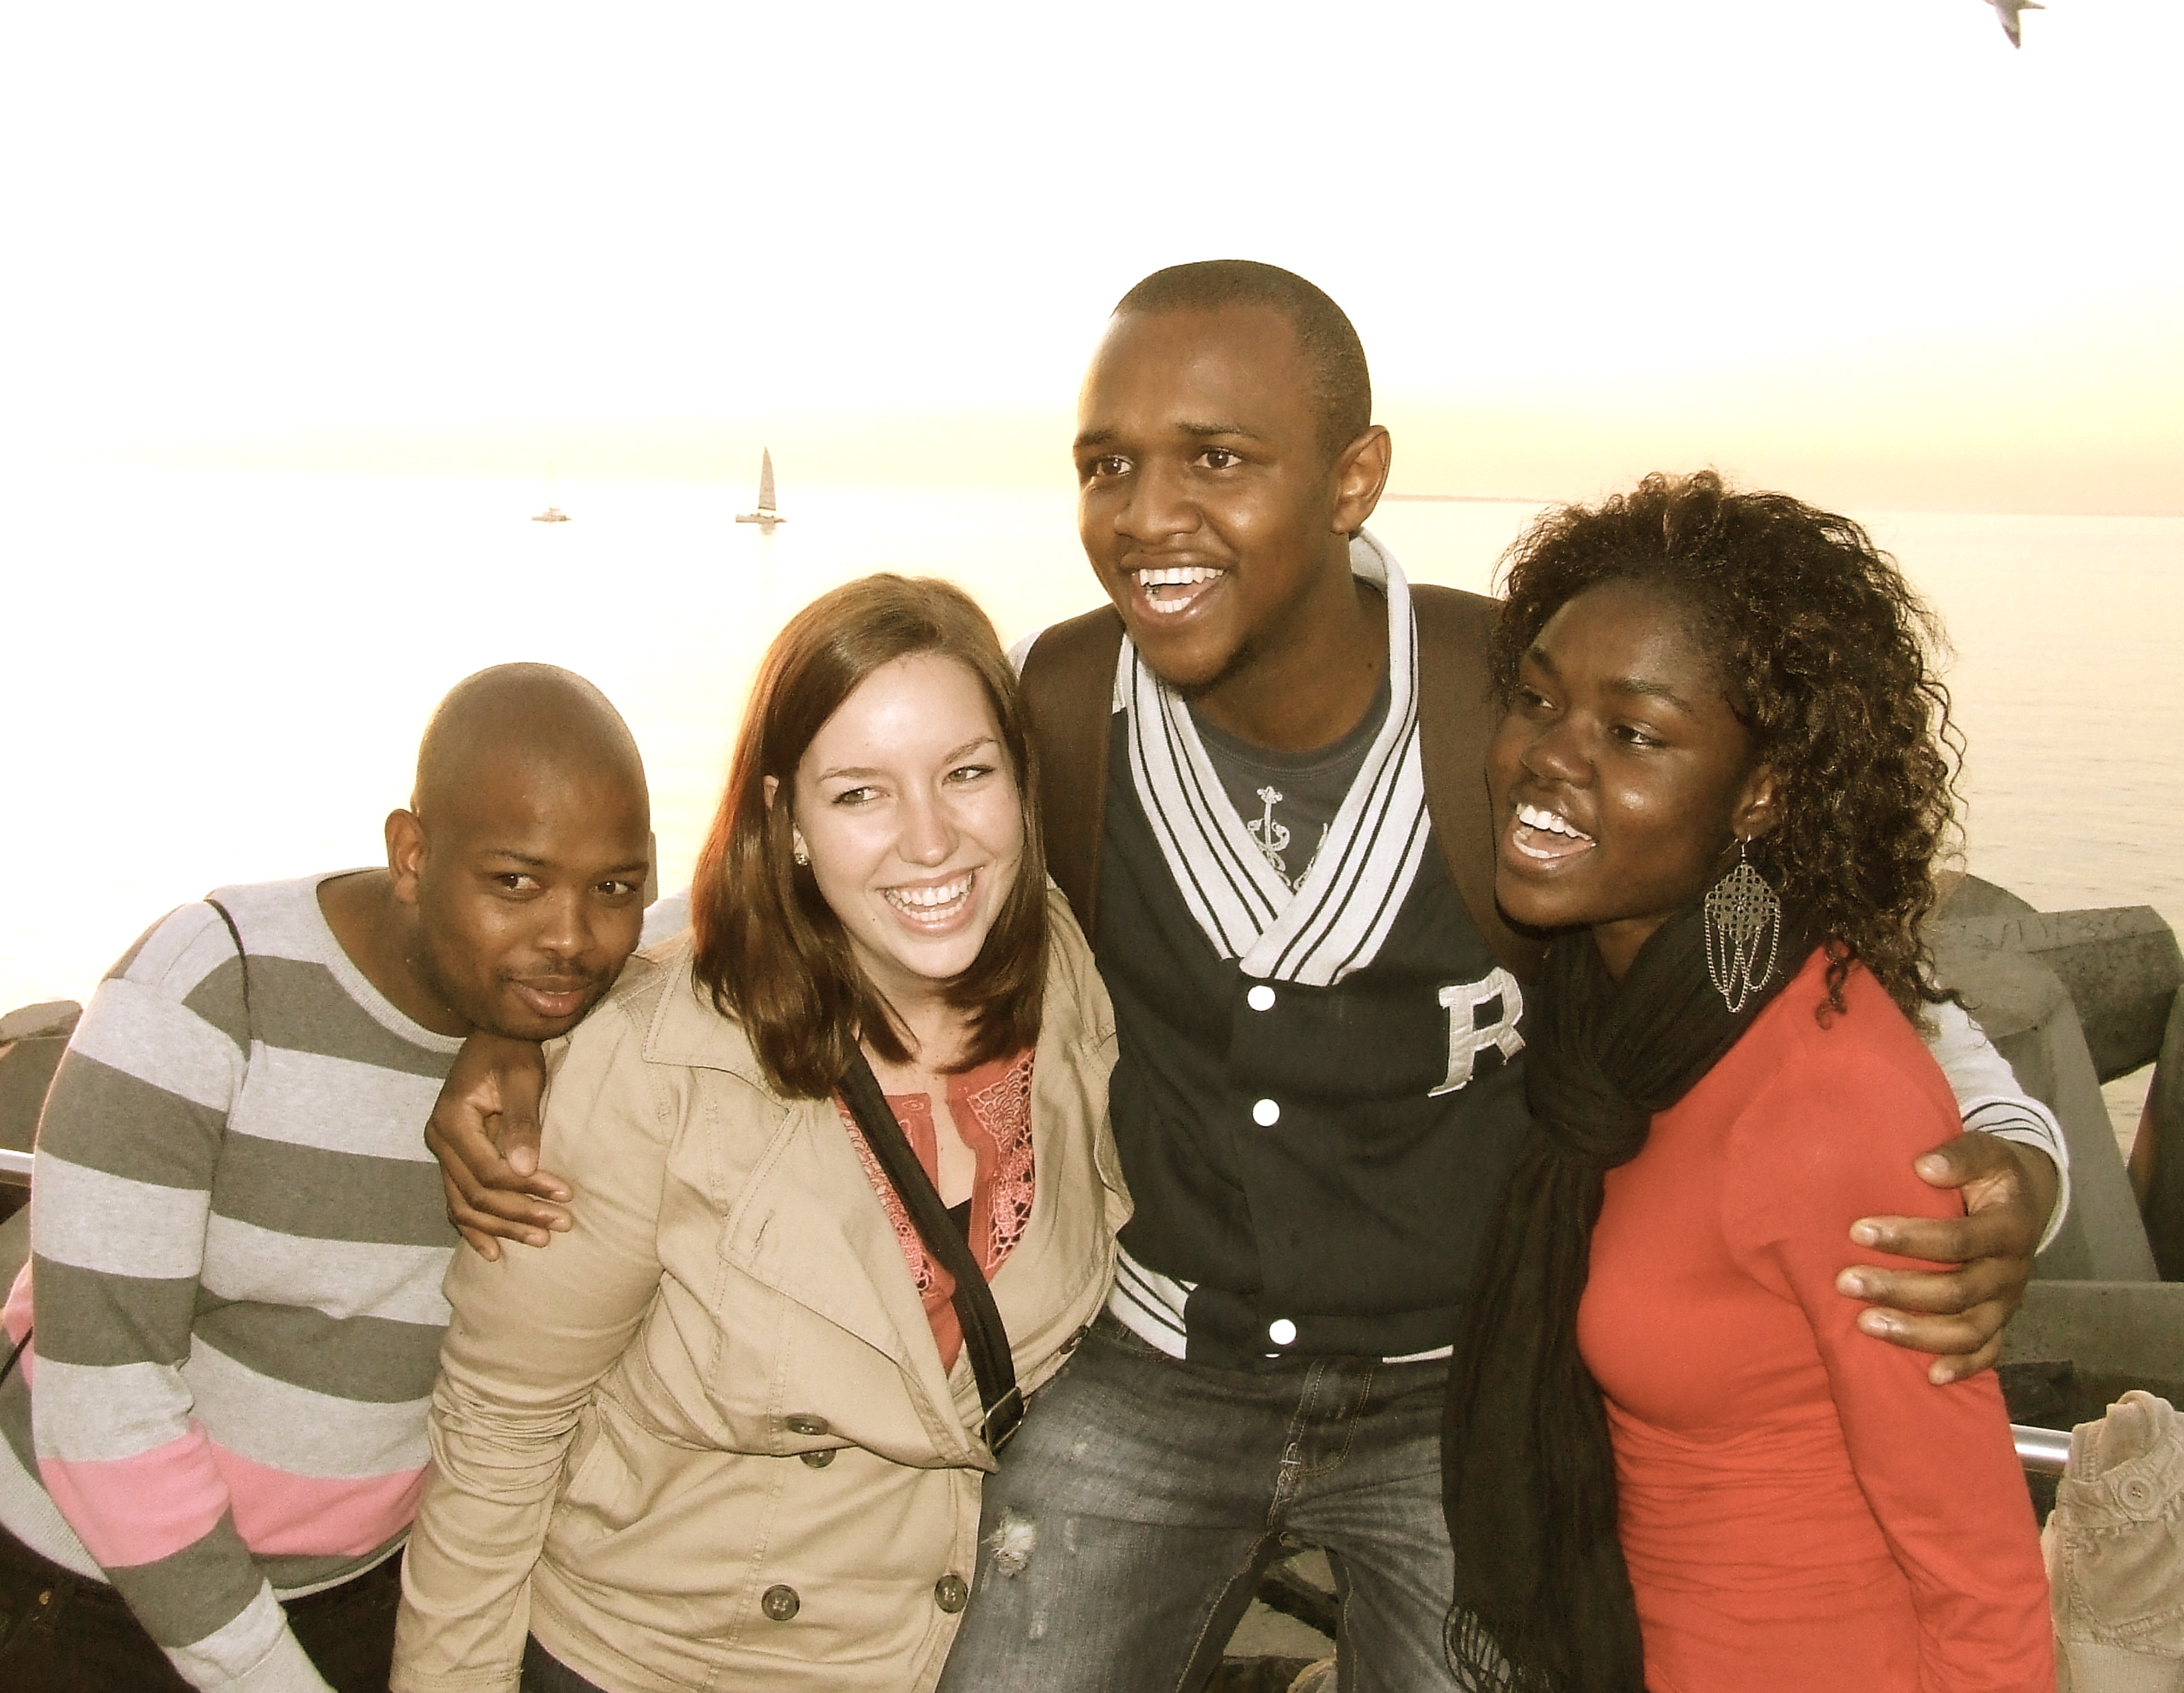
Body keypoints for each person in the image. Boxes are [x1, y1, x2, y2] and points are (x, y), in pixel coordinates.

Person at [428, 265, 2068, 1692]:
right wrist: (534, 1021)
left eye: (1217, 457)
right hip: (1157, 1366)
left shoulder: (1502, 702)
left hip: (1455, 1390)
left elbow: (1795, 952)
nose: (1148, 510)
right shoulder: (1073, 703)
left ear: (1352, 477)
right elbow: (869, 865)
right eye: (1106, 463)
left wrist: (2009, 1143)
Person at [389, 577, 1129, 1693]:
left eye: (967, 774)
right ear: (786, 821)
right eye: (861, 794)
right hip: (662, 1661)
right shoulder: (659, 1063)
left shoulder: (1065, 978)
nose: (931, 842)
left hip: (947, 1654)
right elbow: (499, 1433)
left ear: (1025, 785)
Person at [0, 664, 654, 1693]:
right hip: (74, 1607)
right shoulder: (209, 992)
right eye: (516, 883)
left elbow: (756, 934)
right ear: (413, 855)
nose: (573, 938)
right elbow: (103, 1409)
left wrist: (508, 1032)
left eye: (616, 888)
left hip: (357, 1603)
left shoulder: (580, 1013)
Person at [1440, 471, 2053, 1691]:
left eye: (1635, 734)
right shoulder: (1608, 1020)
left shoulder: (1824, 1094)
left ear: (1761, 791)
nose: (1550, 759)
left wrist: (2027, 1168)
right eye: (1539, 701)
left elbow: (1980, 1566)